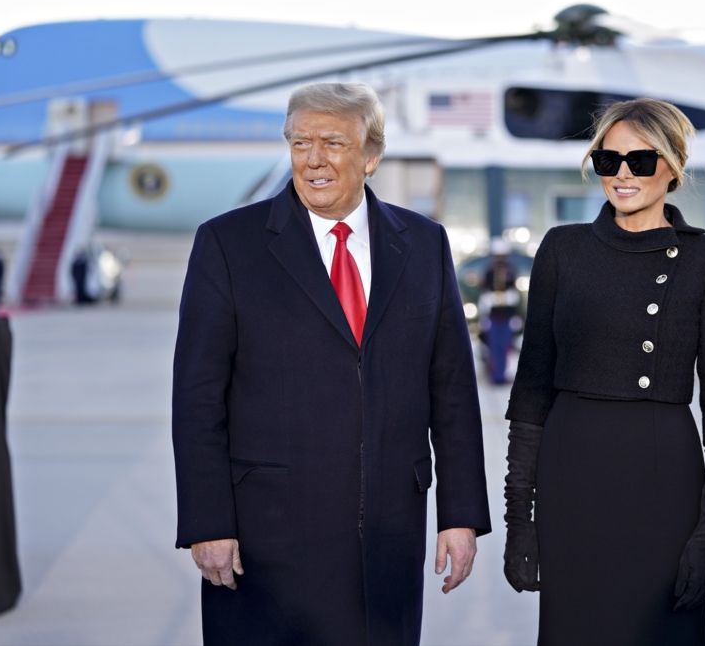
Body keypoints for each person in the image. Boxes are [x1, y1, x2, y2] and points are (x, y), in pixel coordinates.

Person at [172, 82, 491, 646]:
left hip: (388, 536)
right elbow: (197, 398)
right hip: (266, 539)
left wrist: (460, 515)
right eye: (300, 143)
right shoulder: (228, 244)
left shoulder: (423, 244)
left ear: (371, 156)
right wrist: (207, 522)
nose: (313, 159)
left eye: (333, 143)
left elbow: (453, 394)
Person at [502, 98, 705, 645]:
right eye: (608, 161)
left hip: (662, 480)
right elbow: (531, 391)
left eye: (640, 161)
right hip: (572, 475)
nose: (621, 175)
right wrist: (521, 518)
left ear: (672, 166)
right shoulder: (563, 248)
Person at [480, 238, 520, 384]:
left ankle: (502, 375)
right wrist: (483, 314)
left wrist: (515, 314)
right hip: (493, 316)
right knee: (493, 347)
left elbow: (514, 294)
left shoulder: (511, 271)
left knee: (505, 347)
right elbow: (484, 294)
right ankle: (495, 375)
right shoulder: (489, 272)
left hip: (507, 315)